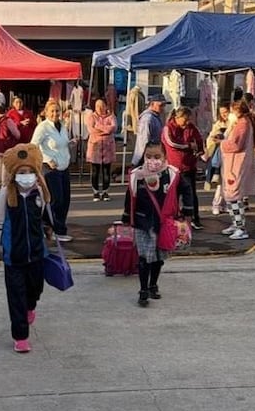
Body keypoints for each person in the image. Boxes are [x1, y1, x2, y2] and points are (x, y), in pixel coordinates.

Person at [0, 143, 52, 354]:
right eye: (22, 172)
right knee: (16, 297)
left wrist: (51, 226)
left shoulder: (39, 194)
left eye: (31, 172)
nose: (27, 176)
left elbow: (47, 217)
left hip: (37, 254)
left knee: (35, 289)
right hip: (13, 256)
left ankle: (31, 306)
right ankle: (20, 336)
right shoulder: (3, 198)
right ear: (14, 174)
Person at [121, 143, 184, 307]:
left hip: (163, 224)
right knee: (144, 258)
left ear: (164, 157)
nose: (152, 160)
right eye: (148, 156)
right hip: (142, 223)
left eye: (157, 157)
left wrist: (187, 214)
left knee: (158, 258)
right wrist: (127, 217)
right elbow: (130, 196)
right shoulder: (136, 175)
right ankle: (143, 290)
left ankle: (153, 285)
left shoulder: (172, 174)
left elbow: (186, 191)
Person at [32, 99, 74, 242]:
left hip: (64, 167)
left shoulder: (62, 126)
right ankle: (58, 230)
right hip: (50, 168)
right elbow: (34, 145)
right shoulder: (43, 127)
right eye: (52, 111)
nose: (55, 114)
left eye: (57, 111)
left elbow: (62, 144)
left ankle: (45, 226)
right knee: (57, 200)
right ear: (46, 112)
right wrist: (47, 159)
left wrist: (71, 144)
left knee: (65, 199)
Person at [220, 99, 255, 240]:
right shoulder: (245, 123)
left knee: (234, 196)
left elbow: (236, 145)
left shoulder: (242, 124)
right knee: (232, 196)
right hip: (235, 164)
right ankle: (235, 224)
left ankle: (240, 227)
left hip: (236, 165)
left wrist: (222, 142)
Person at [162, 107, 204, 230]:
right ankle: (172, 217)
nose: (187, 123)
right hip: (174, 168)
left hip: (189, 166)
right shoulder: (168, 128)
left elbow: (199, 138)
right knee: (174, 195)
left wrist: (200, 150)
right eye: (185, 120)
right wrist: (188, 146)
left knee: (191, 194)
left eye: (189, 120)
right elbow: (171, 143)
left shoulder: (191, 127)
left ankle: (194, 218)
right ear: (177, 117)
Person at [86, 98, 117, 202]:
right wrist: (106, 129)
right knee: (95, 171)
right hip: (95, 147)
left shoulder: (111, 116)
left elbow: (113, 128)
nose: (99, 108)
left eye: (101, 106)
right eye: (97, 106)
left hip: (108, 148)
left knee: (106, 171)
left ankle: (105, 192)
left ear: (105, 106)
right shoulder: (91, 116)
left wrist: (98, 127)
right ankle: (95, 192)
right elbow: (91, 130)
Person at [205, 104, 232, 215]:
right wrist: (216, 137)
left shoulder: (233, 123)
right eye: (221, 112)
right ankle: (216, 204)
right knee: (221, 182)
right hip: (220, 155)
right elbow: (211, 138)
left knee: (228, 182)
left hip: (230, 155)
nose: (224, 114)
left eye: (226, 111)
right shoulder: (218, 124)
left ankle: (225, 204)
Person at [132, 92, 166, 167]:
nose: (163, 108)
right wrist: (142, 158)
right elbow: (144, 140)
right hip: (148, 155)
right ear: (152, 104)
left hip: (154, 153)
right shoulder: (147, 119)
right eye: (160, 105)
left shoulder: (156, 117)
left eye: (164, 105)